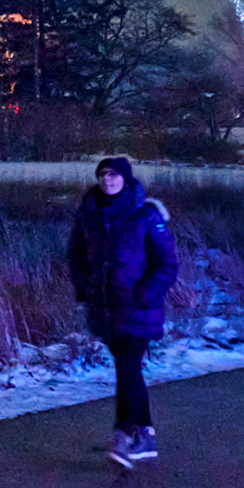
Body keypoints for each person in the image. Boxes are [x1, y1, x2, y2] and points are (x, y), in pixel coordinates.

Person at [68, 156, 178, 469]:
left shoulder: (146, 216)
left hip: (138, 308)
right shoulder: (89, 214)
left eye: (113, 175)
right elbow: (75, 254)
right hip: (105, 309)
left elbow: (167, 264)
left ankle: (124, 435)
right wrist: (84, 287)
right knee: (129, 371)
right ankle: (145, 434)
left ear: (126, 179)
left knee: (127, 369)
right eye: (102, 174)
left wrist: (146, 293)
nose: (107, 180)